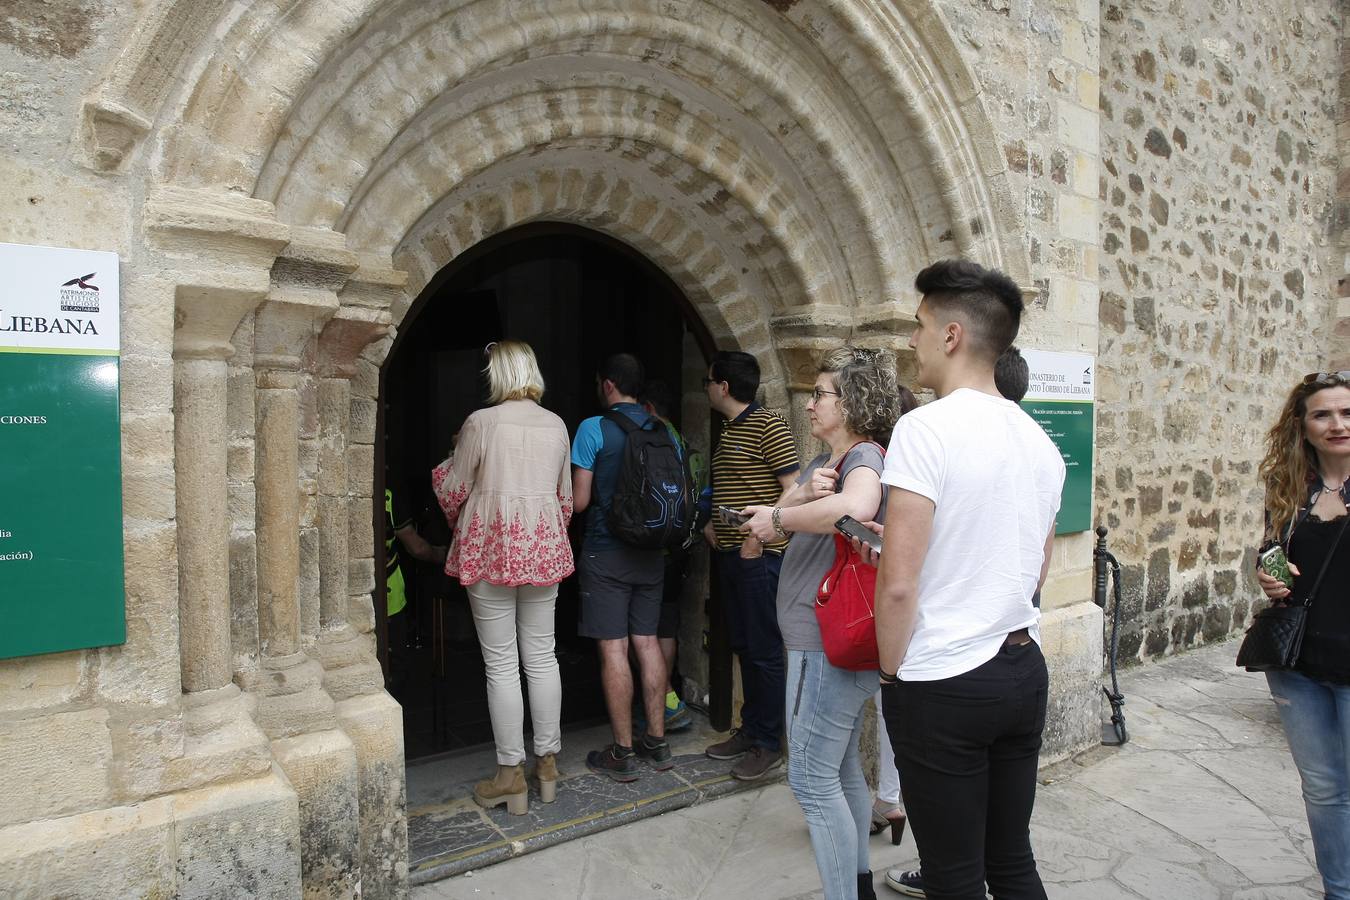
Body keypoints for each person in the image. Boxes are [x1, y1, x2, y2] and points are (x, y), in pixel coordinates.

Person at [874, 259, 1064, 900]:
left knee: (954, 876)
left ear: (952, 335)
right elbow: (1035, 567)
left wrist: (892, 671)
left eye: (920, 325)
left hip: (945, 677)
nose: (912, 340)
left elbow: (898, 583)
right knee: (1010, 860)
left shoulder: (924, 428)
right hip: (1021, 665)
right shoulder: (1039, 440)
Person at [741, 348, 912, 900]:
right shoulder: (829, 462)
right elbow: (770, 524)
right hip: (823, 644)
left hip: (825, 646)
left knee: (810, 780)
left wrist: (782, 516)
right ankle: (858, 886)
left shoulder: (862, 458)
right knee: (838, 774)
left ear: (852, 402)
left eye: (820, 394)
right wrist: (791, 503)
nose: (810, 404)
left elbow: (858, 507)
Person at [431, 341, 574, 816]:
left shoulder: (481, 422)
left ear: (498, 373)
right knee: (542, 654)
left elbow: (454, 490)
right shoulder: (556, 423)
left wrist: (451, 471)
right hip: (544, 543)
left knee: (501, 663)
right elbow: (566, 499)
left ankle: (510, 774)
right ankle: (548, 763)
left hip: (490, 545)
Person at [1255, 370, 1350, 900]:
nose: (1338, 424)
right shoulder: (1290, 486)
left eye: (1347, 412)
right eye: (1323, 414)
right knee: (1323, 788)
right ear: (1304, 425)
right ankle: (1339, 891)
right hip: (1297, 662)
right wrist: (1267, 573)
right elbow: (1272, 549)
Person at [572, 353, 672, 781]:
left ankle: (623, 751)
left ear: (608, 385)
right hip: (651, 552)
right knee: (646, 643)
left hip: (606, 552)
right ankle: (657, 740)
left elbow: (578, 502)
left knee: (614, 648)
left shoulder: (593, 429)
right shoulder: (662, 429)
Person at [703, 350, 800, 780]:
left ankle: (767, 743)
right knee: (743, 645)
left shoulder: (768, 425)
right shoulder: (730, 428)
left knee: (763, 652)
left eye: (709, 381)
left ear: (723, 386)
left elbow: (794, 490)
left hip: (759, 559)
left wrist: (758, 536)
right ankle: (751, 730)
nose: (705, 388)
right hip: (730, 555)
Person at [638, 379, 705, 733]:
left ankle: (667, 702)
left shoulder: (653, 441)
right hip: (682, 548)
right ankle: (668, 699)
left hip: (653, 550)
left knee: (645, 634)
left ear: (648, 408)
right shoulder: (687, 445)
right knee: (667, 630)